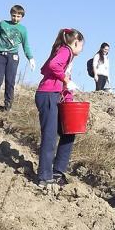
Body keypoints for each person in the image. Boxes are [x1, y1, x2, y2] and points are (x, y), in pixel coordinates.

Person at [35, 28, 85, 188]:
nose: (82, 49)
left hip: (55, 95)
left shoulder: (66, 56)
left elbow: (55, 75)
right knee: (49, 136)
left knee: (68, 133)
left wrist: (69, 99)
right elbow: (52, 65)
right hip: (48, 95)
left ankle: (58, 171)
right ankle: (44, 176)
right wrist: (64, 77)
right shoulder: (66, 51)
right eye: (82, 45)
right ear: (76, 41)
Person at [0, 4, 35, 111]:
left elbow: (25, 45)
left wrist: (30, 58)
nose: (15, 18)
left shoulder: (23, 29)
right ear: (10, 14)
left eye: (18, 16)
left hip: (13, 57)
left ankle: (8, 106)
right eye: (14, 15)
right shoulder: (3, 24)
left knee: (10, 81)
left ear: (22, 17)